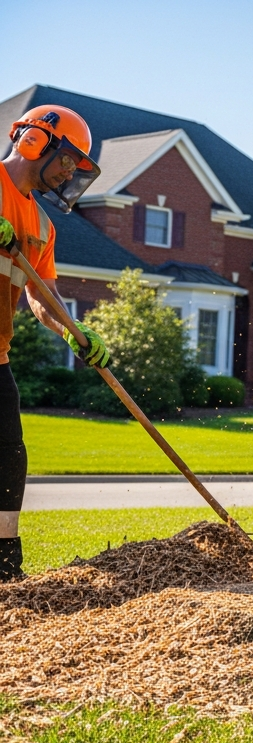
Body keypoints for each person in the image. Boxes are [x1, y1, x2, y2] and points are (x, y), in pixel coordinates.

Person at [0, 105, 109, 581]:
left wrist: (73, 331)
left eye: (76, 166)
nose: (69, 172)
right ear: (34, 140)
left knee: (8, 456)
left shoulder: (43, 226)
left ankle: (5, 564)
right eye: (67, 159)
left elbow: (42, 297)